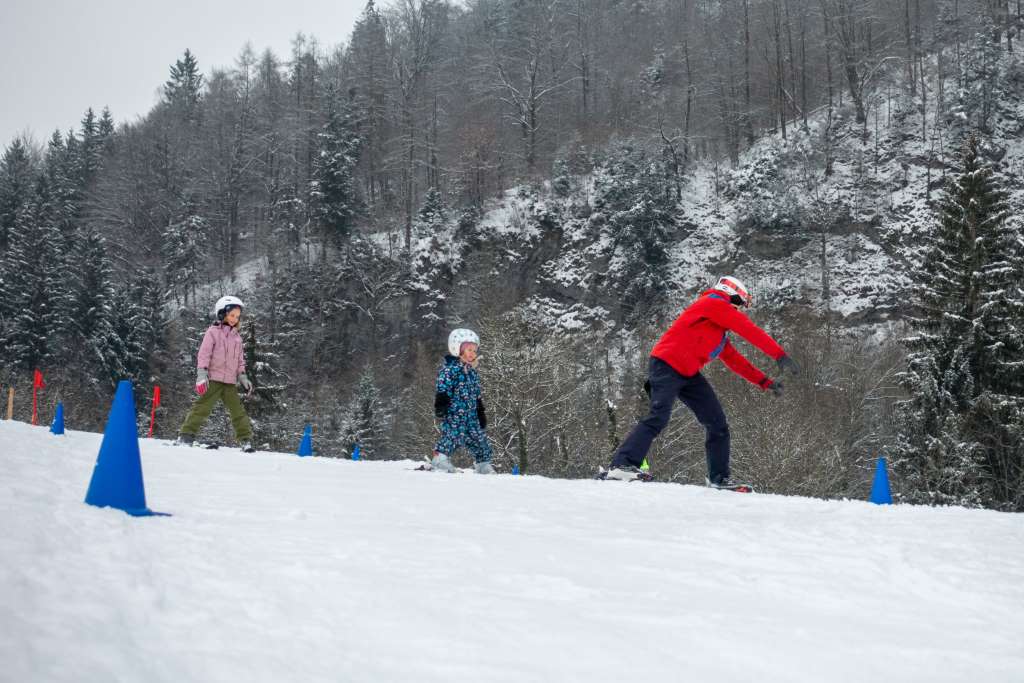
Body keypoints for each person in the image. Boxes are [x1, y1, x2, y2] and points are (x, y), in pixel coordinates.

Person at [605, 276, 799, 488]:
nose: (739, 310)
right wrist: (779, 355)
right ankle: (621, 466)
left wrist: (766, 382)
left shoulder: (718, 332)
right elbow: (748, 329)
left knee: (718, 424)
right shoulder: (714, 303)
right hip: (666, 364)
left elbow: (735, 361)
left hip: (688, 374)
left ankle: (719, 479)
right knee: (658, 416)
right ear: (733, 294)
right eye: (740, 304)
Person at [176, 295, 256, 453]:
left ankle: (245, 440)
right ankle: (186, 435)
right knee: (202, 408)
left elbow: (240, 361)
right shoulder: (213, 332)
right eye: (232, 315)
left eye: (237, 316)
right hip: (213, 379)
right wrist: (201, 374)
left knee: (238, 411)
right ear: (222, 313)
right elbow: (204, 354)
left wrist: (243, 378)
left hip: (230, 383)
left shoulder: (237, 339)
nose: (234, 319)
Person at [431, 328, 496, 474]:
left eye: (475, 350)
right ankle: (440, 458)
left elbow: (476, 395)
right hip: (455, 414)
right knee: (452, 436)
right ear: (457, 349)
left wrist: (480, 412)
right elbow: (443, 388)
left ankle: (483, 464)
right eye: (469, 350)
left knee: (480, 440)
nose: (473, 354)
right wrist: (441, 405)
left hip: (472, 416)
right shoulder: (449, 370)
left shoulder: (472, 372)